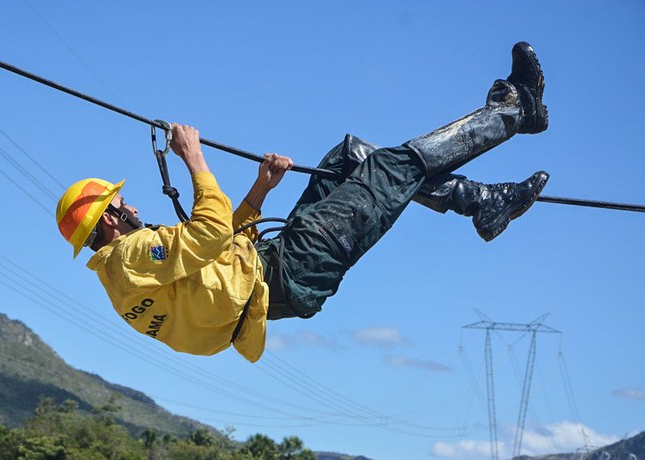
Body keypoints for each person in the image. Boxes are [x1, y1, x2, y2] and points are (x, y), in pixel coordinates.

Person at [56, 42, 549, 363]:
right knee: (391, 168)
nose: (135, 208)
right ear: (110, 220)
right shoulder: (131, 255)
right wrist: (194, 158)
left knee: (349, 155)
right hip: (287, 269)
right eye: (125, 205)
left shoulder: (126, 281)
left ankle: (481, 201)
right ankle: (515, 110)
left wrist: (259, 191)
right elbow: (208, 233)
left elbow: (213, 258)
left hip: (275, 268)